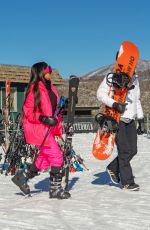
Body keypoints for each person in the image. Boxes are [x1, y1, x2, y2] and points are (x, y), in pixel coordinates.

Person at [11, 62, 71, 199]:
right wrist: (43, 118)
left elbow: (53, 109)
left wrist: (63, 106)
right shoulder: (35, 88)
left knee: (43, 160)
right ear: (40, 72)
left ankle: (22, 177)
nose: (50, 71)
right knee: (57, 157)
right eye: (48, 69)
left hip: (49, 128)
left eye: (50, 68)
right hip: (39, 129)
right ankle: (55, 190)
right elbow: (27, 112)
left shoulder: (51, 88)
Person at [97, 55, 144, 191]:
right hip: (118, 118)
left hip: (131, 119)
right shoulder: (111, 77)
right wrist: (115, 104)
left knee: (132, 150)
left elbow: (137, 100)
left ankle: (112, 168)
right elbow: (100, 94)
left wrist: (140, 119)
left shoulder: (135, 79)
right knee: (124, 151)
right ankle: (127, 182)